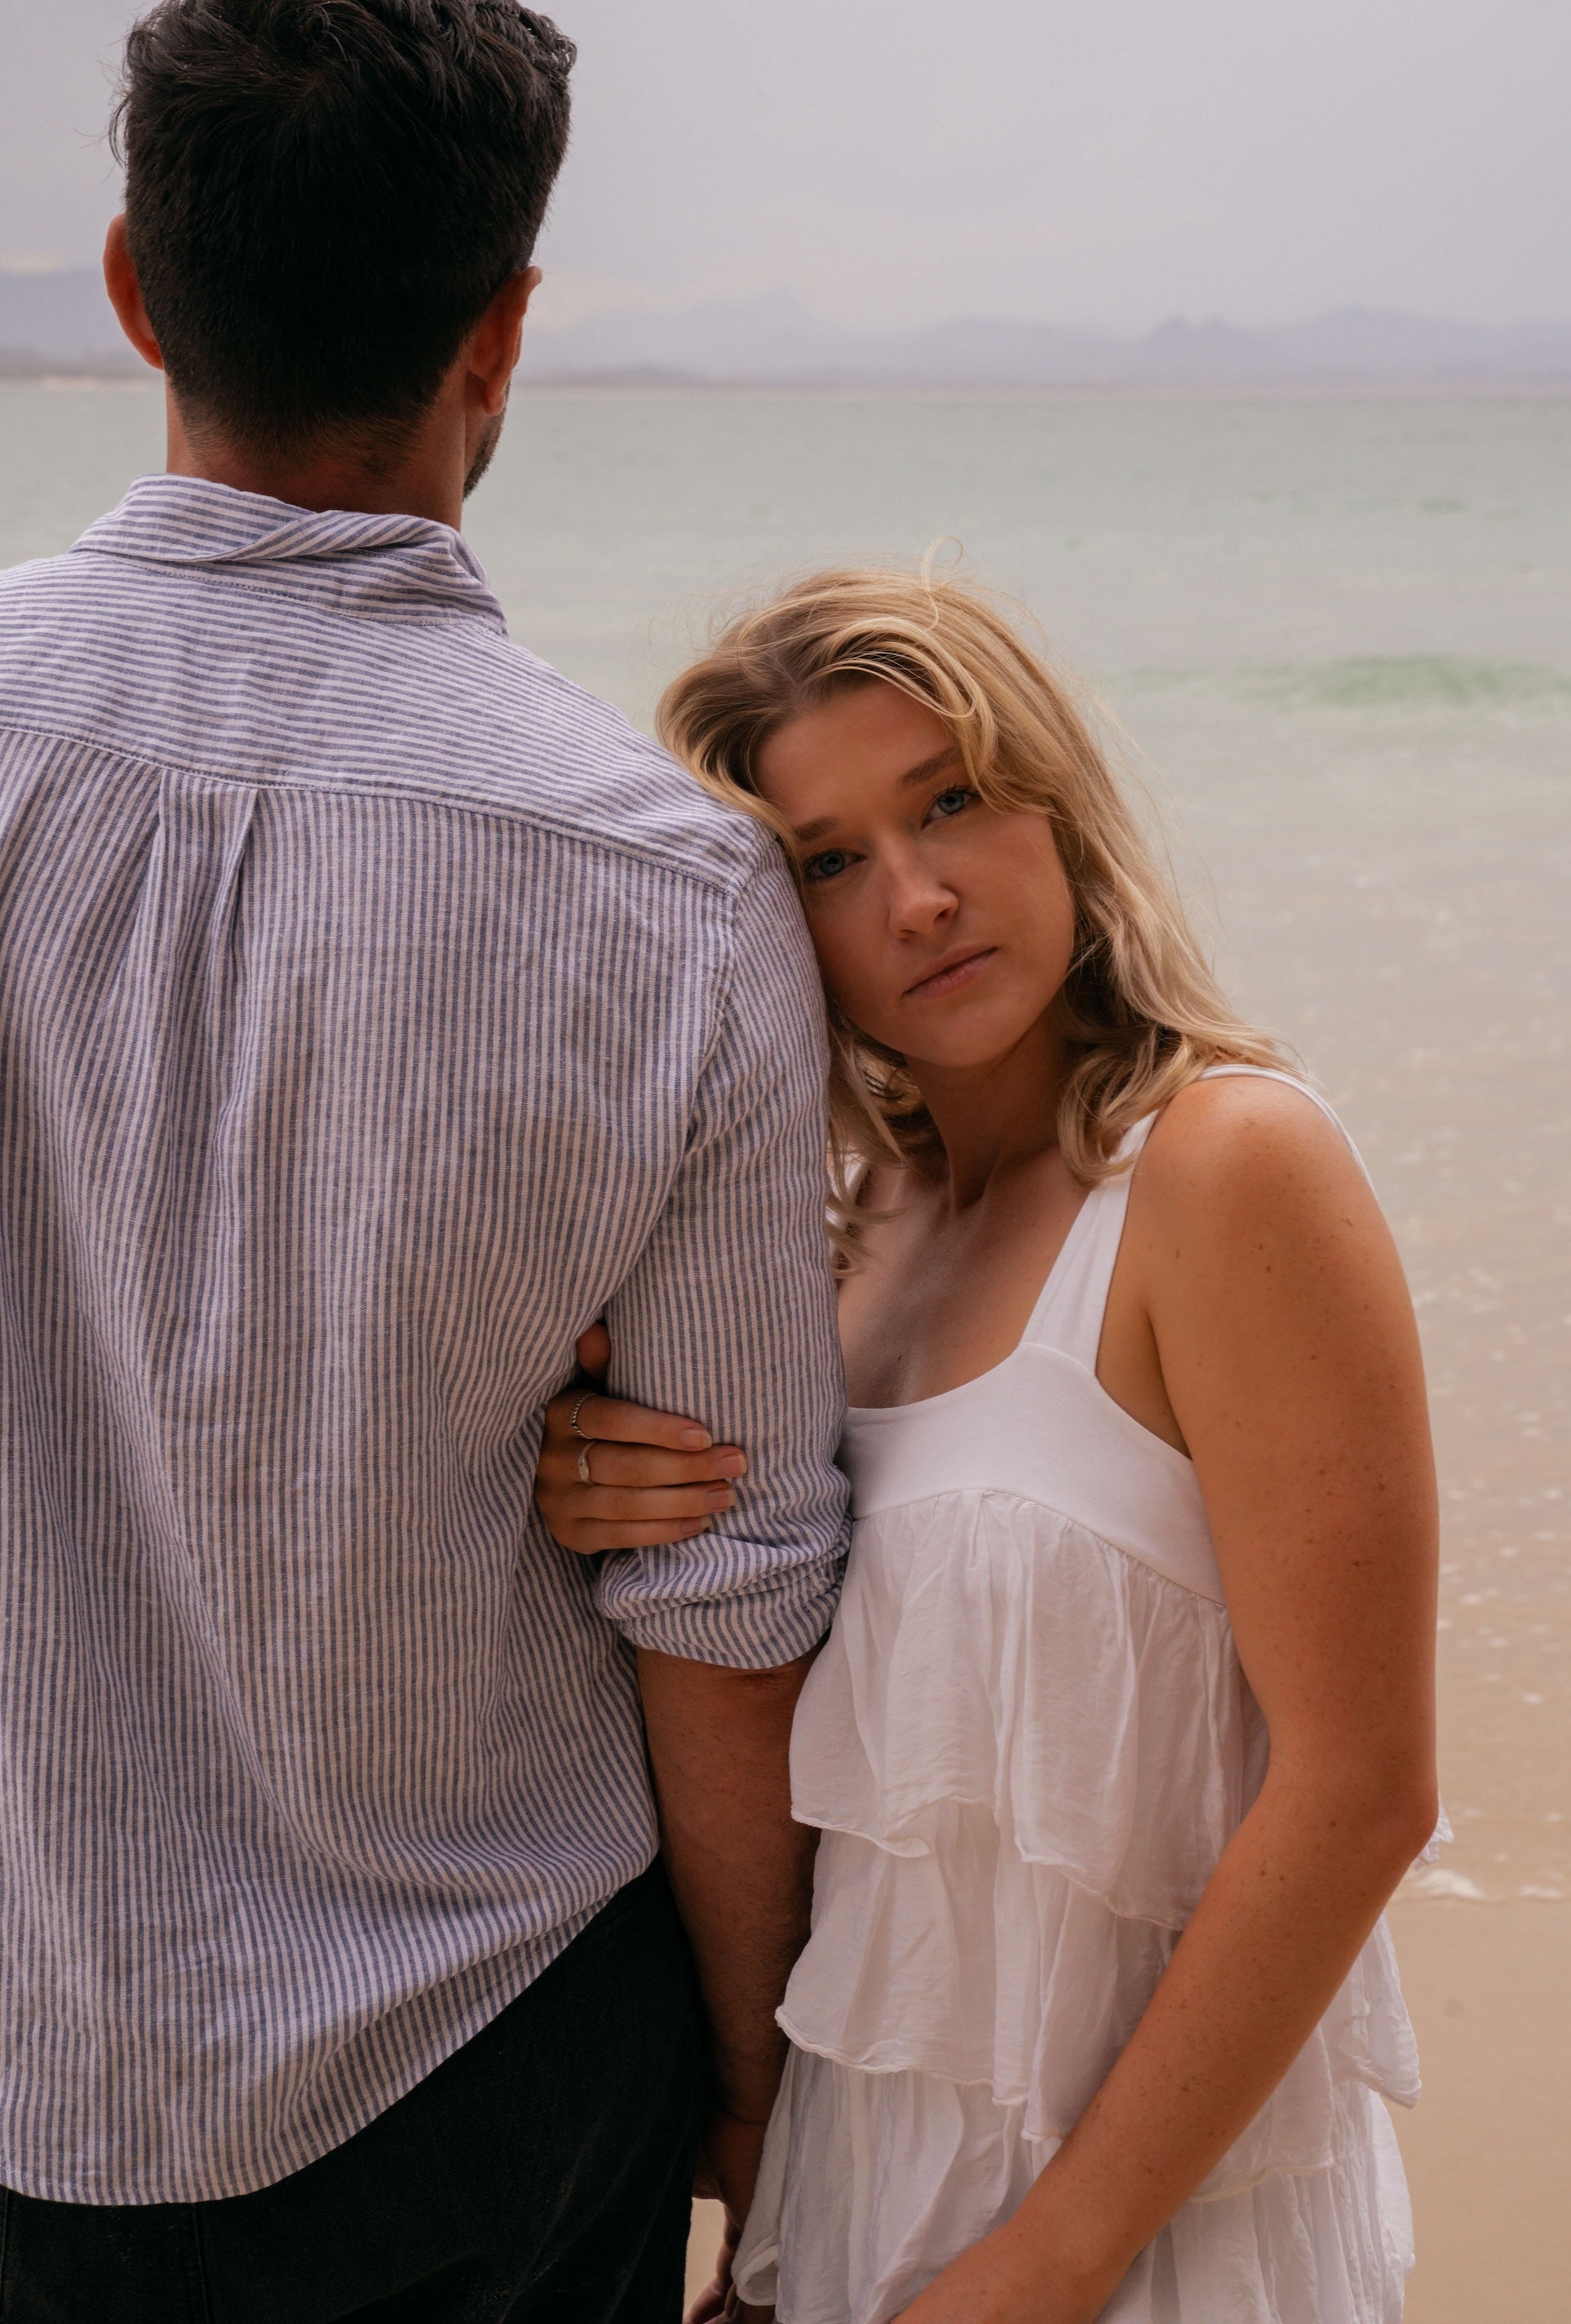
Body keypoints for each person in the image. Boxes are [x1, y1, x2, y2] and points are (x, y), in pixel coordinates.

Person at [0, 0, 847, 2324]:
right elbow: (723, 1563)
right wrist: (763, 2067)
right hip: (479, 2066)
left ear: (139, 288)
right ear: (501, 327)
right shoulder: (663, 879)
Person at [537, 569, 1445, 2324]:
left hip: (1137, 2220)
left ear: (1058, 801)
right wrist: (578, 1479)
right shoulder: (835, 1240)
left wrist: (1050, 2263)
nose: (919, 895)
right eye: (828, 857)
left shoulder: (1221, 1168)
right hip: (854, 2189)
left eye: (950, 800)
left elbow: (1360, 1786)